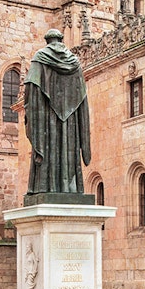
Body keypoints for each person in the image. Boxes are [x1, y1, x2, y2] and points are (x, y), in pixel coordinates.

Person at [24, 29, 91, 195]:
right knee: (68, 148)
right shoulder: (75, 63)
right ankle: (70, 188)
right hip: (71, 123)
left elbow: (31, 90)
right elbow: (82, 95)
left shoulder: (40, 58)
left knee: (49, 148)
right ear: (61, 40)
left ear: (47, 41)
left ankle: (45, 187)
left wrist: (31, 112)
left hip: (46, 119)